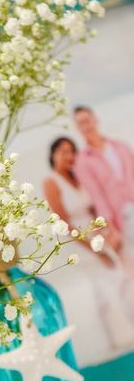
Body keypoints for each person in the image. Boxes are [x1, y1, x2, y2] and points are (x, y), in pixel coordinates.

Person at [44, 136, 134, 353]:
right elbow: (63, 222)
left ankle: (126, 333)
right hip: (79, 241)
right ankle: (117, 340)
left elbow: (96, 208)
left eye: (72, 151)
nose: (69, 156)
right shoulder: (52, 181)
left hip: (98, 234)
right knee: (103, 288)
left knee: (121, 281)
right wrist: (94, 249)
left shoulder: (79, 178)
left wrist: (109, 233)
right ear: (53, 155)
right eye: (63, 152)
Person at [74, 106, 134, 235]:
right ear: (78, 129)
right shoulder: (82, 162)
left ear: (95, 120)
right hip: (124, 217)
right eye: (81, 123)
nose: (86, 126)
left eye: (87, 120)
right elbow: (97, 197)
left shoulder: (121, 146)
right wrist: (111, 228)